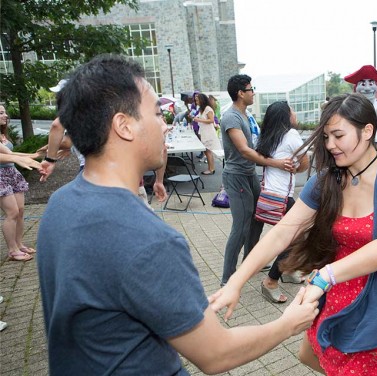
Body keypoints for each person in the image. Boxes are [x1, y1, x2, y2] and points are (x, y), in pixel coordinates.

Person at [36, 54, 317, 375]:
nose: (166, 126)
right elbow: (216, 354)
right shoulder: (148, 239)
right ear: (123, 126)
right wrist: (288, 324)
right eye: (156, 114)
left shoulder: (59, 204)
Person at [210, 93, 377, 376]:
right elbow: (281, 234)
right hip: (329, 295)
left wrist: (324, 277)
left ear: (368, 131)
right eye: (326, 137)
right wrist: (236, 280)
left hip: (374, 303)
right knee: (308, 356)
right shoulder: (326, 181)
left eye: (338, 135)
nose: (330, 145)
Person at [220, 74, 294, 286]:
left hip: (250, 174)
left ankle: (250, 262)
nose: (254, 92)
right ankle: (228, 278)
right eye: (251, 89)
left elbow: (257, 146)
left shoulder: (246, 115)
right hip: (237, 177)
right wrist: (276, 163)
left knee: (257, 220)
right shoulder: (231, 117)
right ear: (240, 93)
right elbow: (244, 150)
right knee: (241, 227)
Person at [254, 101, 310, 303]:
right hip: (283, 197)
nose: (294, 113)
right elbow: (304, 163)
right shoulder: (292, 135)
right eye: (292, 111)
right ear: (286, 116)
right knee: (294, 236)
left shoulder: (268, 136)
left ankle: (288, 271)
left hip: (270, 194)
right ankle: (270, 281)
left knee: (295, 235)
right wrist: (297, 167)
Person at [0, 106, 40, 262]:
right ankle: (12, 250)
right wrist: (31, 158)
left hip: (12, 173)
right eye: (1, 113)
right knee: (12, 213)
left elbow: (13, 155)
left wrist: (37, 155)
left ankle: (19, 244)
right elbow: (12, 156)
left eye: (4, 112)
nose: (6, 115)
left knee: (21, 211)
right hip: (1, 176)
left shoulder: (3, 134)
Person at [191, 93, 220, 175]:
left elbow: (211, 120)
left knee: (208, 151)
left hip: (208, 132)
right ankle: (210, 168)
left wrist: (199, 120)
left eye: (197, 100)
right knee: (206, 151)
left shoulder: (208, 108)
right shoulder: (201, 109)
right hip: (203, 131)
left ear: (202, 100)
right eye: (195, 101)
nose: (196, 102)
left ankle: (211, 169)